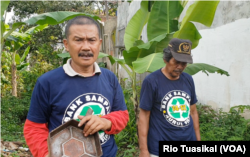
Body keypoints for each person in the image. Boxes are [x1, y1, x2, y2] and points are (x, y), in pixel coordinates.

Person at [23, 16, 129, 157]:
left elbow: (122, 114)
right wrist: (47, 154)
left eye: (91, 40)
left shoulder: (109, 78)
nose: (86, 47)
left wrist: (105, 122)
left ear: (99, 43)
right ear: (66, 44)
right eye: (78, 40)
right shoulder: (47, 82)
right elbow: (34, 128)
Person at [138, 38, 201, 157]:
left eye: (184, 63)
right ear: (166, 59)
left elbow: (193, 112)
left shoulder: (188, 79)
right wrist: (143, 150)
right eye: (176, 61)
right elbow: (144, 116)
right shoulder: (152, 81)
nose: (180, 67)